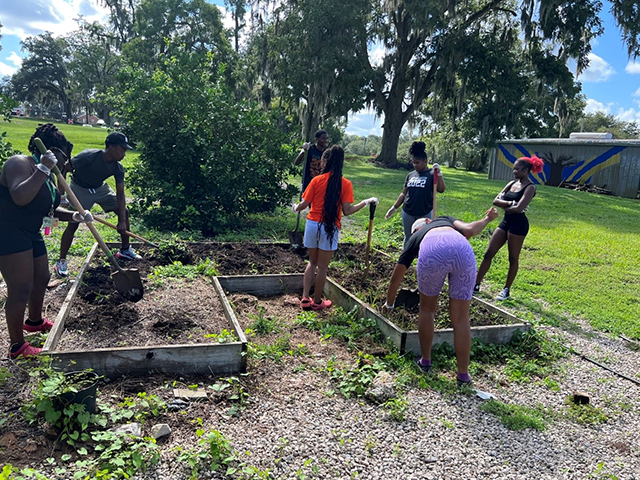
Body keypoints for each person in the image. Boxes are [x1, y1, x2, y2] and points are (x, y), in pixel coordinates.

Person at [0, 124, 93, 358]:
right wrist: (43, 168)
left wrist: (75, 215)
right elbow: (21, 197)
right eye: (64, 157)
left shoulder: (49, 175)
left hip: (31, 232)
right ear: (52, 151)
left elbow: (49, 209)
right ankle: (17, 346)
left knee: (42, 277)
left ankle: (34, 321)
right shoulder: (19, 163)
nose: (65, 163)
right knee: (20, 288)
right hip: (9, 232)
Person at [413, 208, 499, 386]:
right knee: (461, 319)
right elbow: (469, 230)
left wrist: (389, 303)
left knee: (427, 309)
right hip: (464, 252)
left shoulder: (417, 237)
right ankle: (463, 376)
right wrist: (487, 219)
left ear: (422, 226)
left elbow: (398, 273)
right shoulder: (447, 220)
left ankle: (426, 362)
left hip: (433, 253)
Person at [293, 145, 378, 311]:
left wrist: (295, 207)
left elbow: (304, 205)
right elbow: (347, 211)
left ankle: (305, 298)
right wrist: (366, 202)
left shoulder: (316, 180)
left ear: (325, 161)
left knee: (312, 262)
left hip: (312, 225)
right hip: (330, 228)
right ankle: (317, 302)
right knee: (323, 267)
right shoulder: (345, 184)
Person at [54, 131, 140, 278]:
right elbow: (63, 170)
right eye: (122, 149)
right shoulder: (88, 156)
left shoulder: (117, 167)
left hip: (100, 188)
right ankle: (61, 261)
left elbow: (120, 194)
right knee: (73, 222)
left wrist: (122, 221)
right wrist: (62, 195)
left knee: (123, 211)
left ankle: (125, 250)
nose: (124, 154)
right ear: (112, 147)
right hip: (79, 187)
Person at [474, 155, 544, 301]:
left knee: (513, 258)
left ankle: (506, 290)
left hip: (518, 225)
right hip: (505, 222)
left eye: (517, 169)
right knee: (488, 253)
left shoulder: (530, 187)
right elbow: (495, 200)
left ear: (525, 170)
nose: (514, 171)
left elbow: (518, 209)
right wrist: (511, 203)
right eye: (514, 168)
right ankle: (476, 284)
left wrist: (506, 203)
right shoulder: (511, 183)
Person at [385, 141, 446, 248]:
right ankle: (405, 260)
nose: (415, 165)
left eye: (417, 162)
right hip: (408, 211)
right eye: (413, 163)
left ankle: (422, 260)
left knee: (423, 237)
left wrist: (439, 174)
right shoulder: (410, 175)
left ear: (425, 161)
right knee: (408, 236)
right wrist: (393, 208)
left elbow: (441, 189)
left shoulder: (432, 174)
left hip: (425, 211)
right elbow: (403, 193)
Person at [381, 217, 432, 313]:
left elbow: (395, 279)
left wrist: (389, 304)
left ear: (416, 230)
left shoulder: (414, 240)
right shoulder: (443, 225)